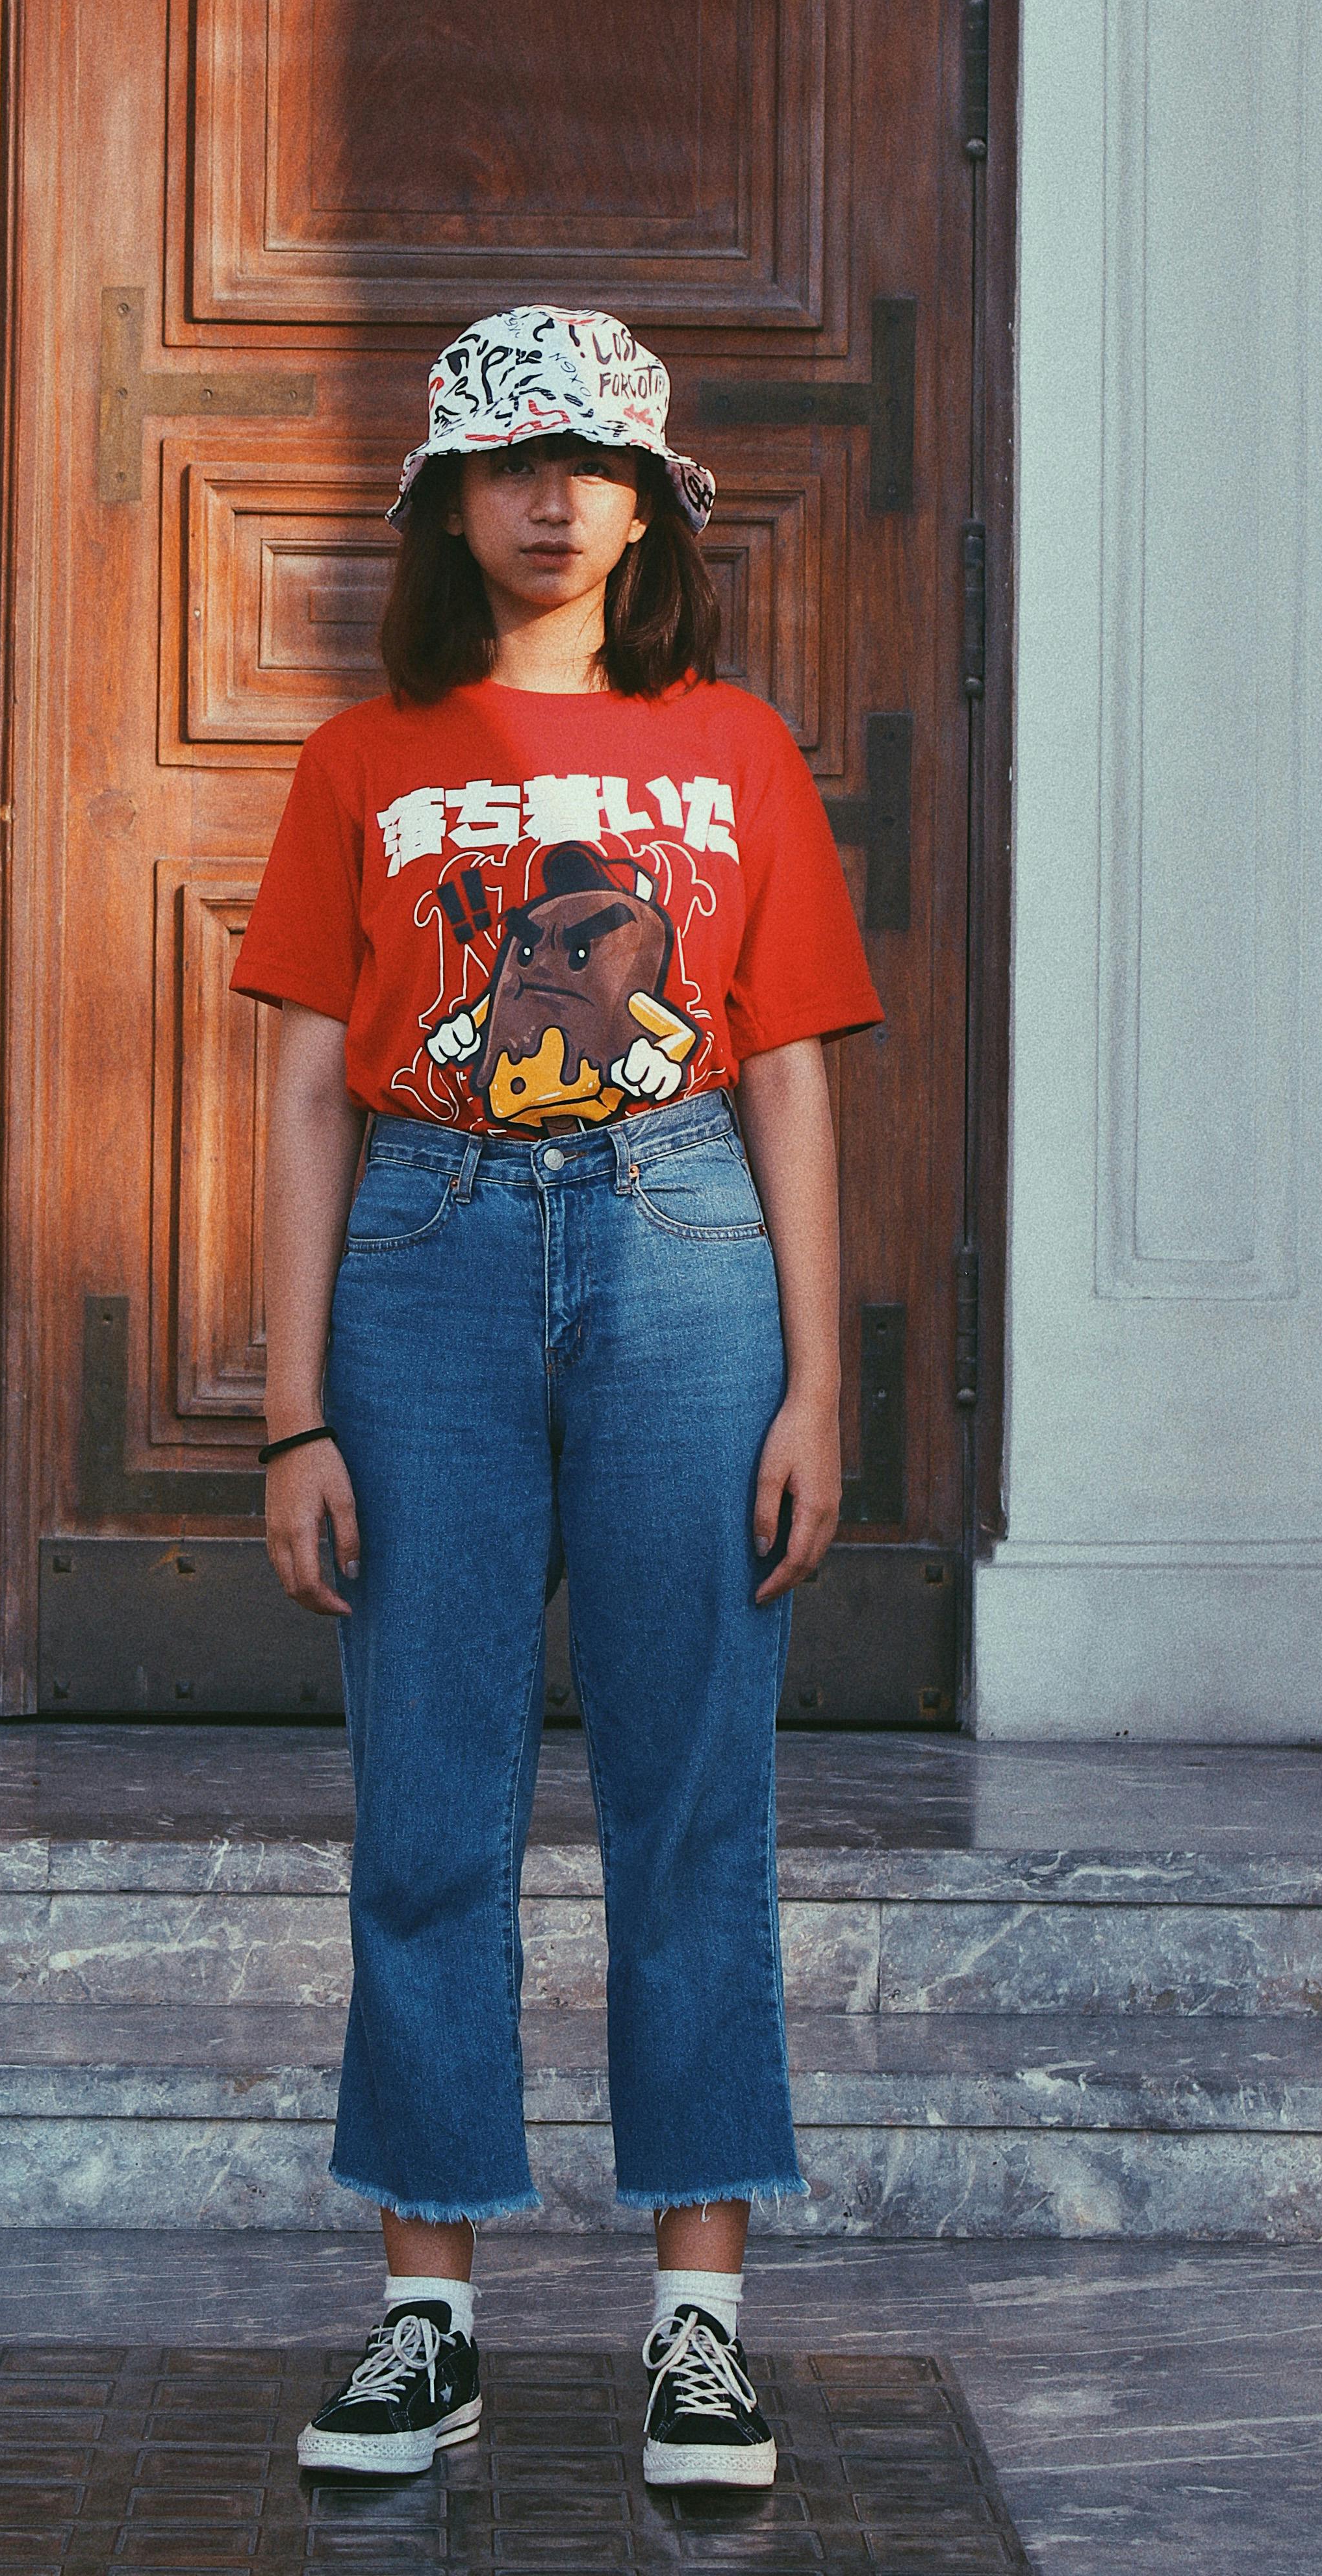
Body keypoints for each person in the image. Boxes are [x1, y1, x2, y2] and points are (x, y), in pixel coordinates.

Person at [232, 305, 882, 2492]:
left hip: (685, 1248)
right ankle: (429, 2317)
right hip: (424, 1253)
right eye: (507, 463)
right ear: (447, 503)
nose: (549, 495)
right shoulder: (360, 756)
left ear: (646, 505)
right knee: (430, 1799)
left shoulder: (738, 750)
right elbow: (312, 1092)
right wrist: (289, 1405)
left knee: (696, 1792)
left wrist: (820, 1372)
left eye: (591, 462)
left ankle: (698, 2323)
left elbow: (781, 1066)